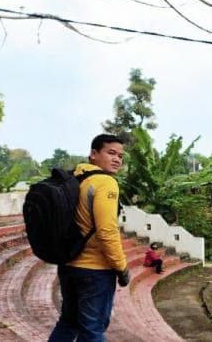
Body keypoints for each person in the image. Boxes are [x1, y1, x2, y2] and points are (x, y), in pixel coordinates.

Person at [48, 134, 130, 342]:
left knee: (69, 322)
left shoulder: (74, 179)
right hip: (95, 271)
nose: (117, 159)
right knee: (93, 329)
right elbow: (107, 230)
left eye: (120, 156)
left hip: (68, 265)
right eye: (111, 153)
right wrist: (121, 267)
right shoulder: (105, 183)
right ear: (94, 154)